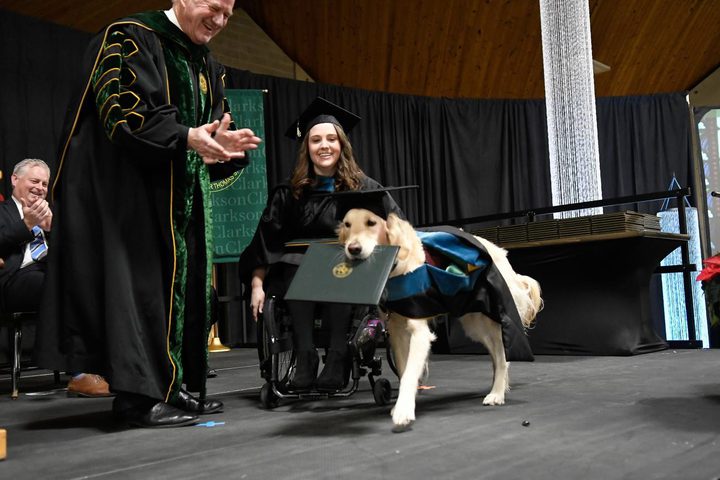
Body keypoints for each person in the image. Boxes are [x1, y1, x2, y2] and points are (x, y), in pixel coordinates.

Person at [35, 0, 262, 428]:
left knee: (179, 291)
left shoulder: (207, 64)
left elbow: (209, 131)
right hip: (128, 199)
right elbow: (120, 113)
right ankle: (137, 399)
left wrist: (223, 147)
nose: (220, 20)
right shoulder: (130, 36)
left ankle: (170, 386)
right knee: (139, 293)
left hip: (178, 198)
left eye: (229, 14)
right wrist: (185, 136)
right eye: (213, 7)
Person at [240, 97, 402, 392]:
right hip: (295, 271)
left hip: (349, 270)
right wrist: (256, 285)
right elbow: (265, 241)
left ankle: (339, 355)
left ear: (342, 145)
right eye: (316, 140)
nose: (324, 145)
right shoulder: (289, 193)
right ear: (307, 148)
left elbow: (396, 229)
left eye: (331, 139)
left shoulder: (364, 189)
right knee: (295, 265)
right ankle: (305, 357)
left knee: (335, 265)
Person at [1, 159, 112, 398]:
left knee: (93, 282)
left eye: (44, 183)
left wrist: (54, 231)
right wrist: (26, 224)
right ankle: (80, 374)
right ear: (14, 179)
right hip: (15, 280)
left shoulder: (51, 214)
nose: (40, 187)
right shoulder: (3, 211)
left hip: (50, 272)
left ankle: (107, 366)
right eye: (34, 181)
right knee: (62, 286)